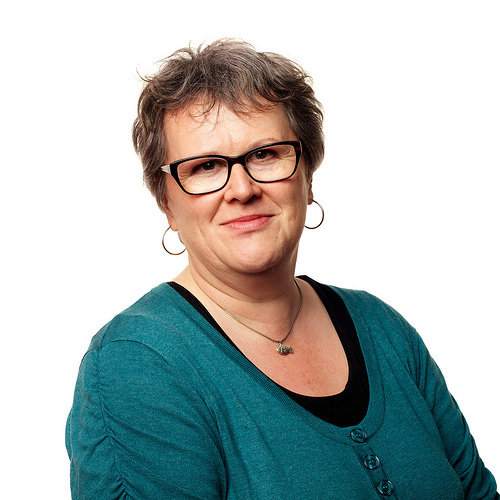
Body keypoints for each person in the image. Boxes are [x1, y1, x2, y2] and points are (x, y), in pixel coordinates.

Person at [66, 39, 498, 499]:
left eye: (265, 154)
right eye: (206, 166)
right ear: (167, 203)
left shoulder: (384, 329)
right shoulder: (135, 365)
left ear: (307, 176)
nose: (242, 189)